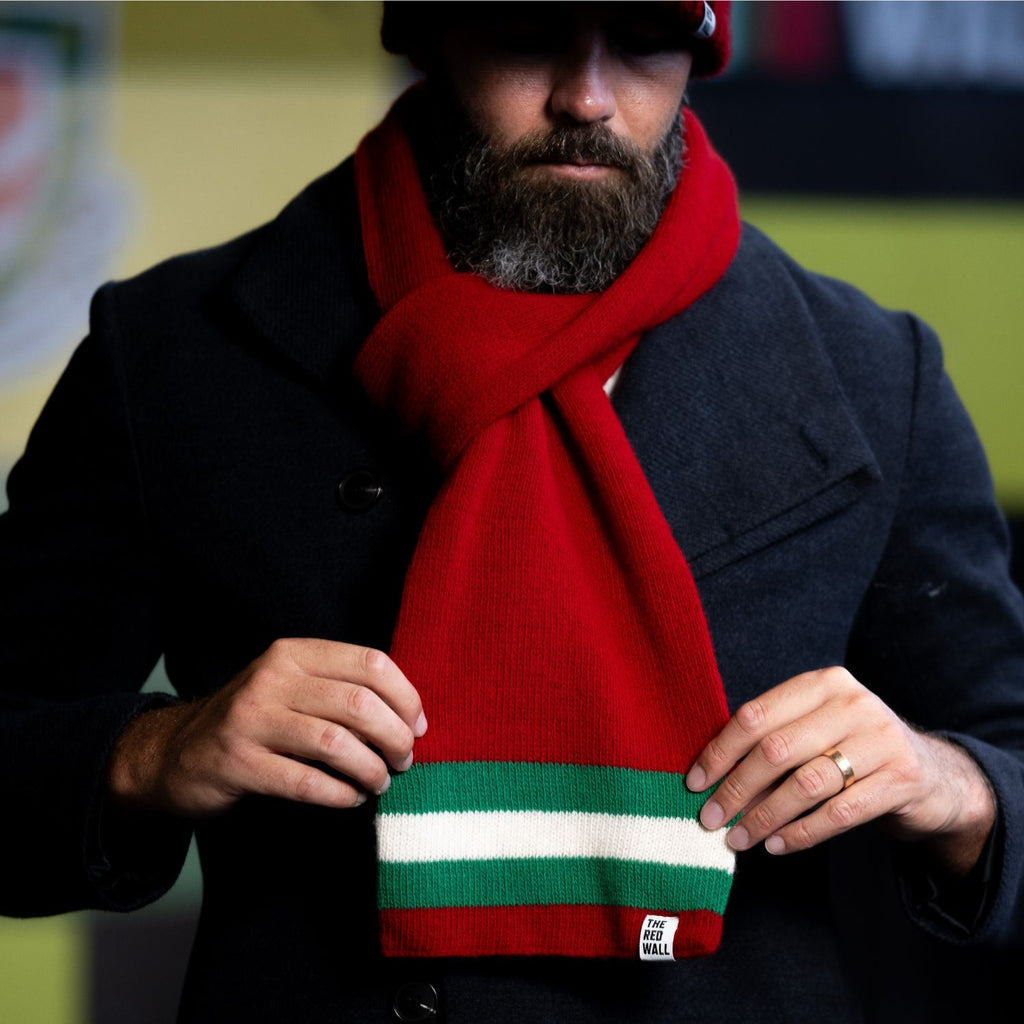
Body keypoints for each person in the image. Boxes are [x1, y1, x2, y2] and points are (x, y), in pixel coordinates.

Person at [1, 2, 1022, 1021]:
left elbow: (1004, 752)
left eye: (641, 41)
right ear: (432, 31)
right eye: (529, 31)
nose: (586, 96)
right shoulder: (173, 350)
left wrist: (954, 786)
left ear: (698, 51)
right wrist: (155, 755)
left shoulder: (877, 378)